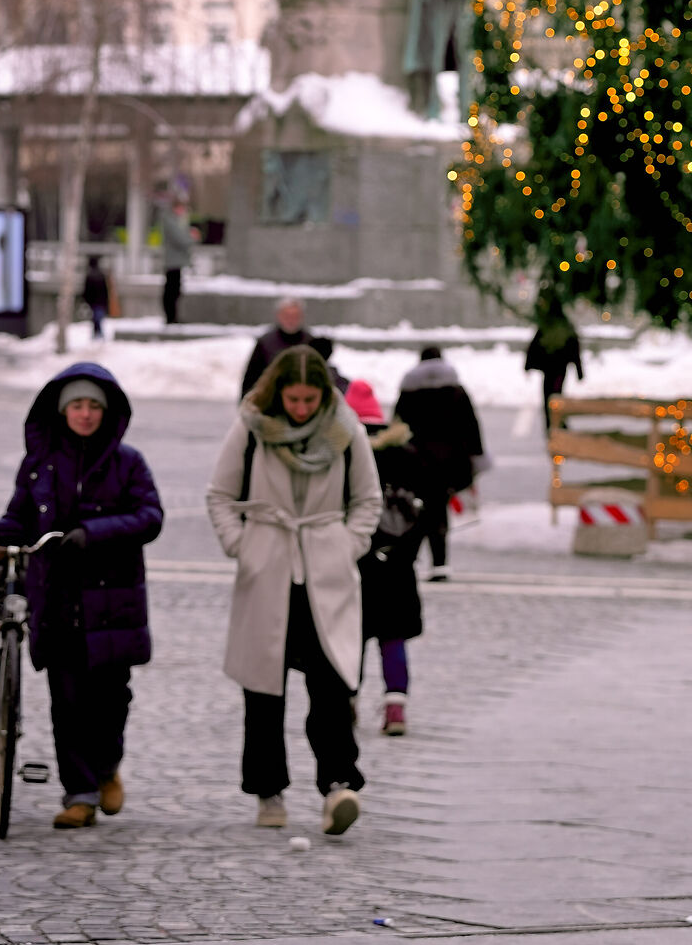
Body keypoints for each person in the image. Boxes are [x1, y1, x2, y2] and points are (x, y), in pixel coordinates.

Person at [0, 365, 163, 830]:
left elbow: (150, 516)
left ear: (107, 411)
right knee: (67, 698)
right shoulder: (40, 463)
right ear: (61, 411)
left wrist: (92, 534)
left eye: (93, 406)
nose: (85, 413)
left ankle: (105, 768)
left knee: (111, 697)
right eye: (77, 405)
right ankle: (79, 793)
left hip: (111, 602)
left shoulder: (128, 462)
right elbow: (19, 519)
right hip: (55, 596)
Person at [206, 345, 381, 836]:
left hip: (326, 571)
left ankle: (338, 785)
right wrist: (243, 546)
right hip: (268, 567)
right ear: (278, 391)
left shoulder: (347, 431)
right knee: (263, 688)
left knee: (333, 683)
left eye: (309, 399)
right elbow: (220, 494)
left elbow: (367, 498)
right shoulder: (251, 427)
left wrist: (348, 544)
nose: (301, 408)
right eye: (293, 398)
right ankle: (268, 790)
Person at [349, 380, 424, 738]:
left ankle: (346, 700)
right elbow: (427, 511)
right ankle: (396, 709)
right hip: (397, 565)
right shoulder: (407, 455)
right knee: (393, 639)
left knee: (350, 637)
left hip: (356, 564)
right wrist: (408, 551)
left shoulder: (346, 455)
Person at [395, 345, 485, 583]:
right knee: (438, 511)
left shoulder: (409, 391)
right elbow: (471, 424)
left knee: (418, 509)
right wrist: (476, 457)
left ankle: (412, 557)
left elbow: (398, 425)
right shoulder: (456, 390)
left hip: (417, 460)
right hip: (450, 462)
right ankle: (440, 563)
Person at [524, 297, 583, 431]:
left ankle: (552, 424)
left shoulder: (547, 325)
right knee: (557, 395)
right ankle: (557, 423)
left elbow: (534, 346)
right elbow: (574, 348)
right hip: (560, 369)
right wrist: (579, 371)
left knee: (548, 397)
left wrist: (528, 365)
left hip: (549, 368)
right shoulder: (565, 325)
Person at [240, 297, 310, 398]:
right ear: (279, 316)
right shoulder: (265, 342)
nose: (291, 320)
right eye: (287, 316)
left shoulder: (311, 342)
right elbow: (251, 377)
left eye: (295, 316)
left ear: (301, 317)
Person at [160, 199, 194, 325]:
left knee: (175, 289)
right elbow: (181, 239)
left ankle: (173, 316)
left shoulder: (174, 220)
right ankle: (171, 317)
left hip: (176, 262)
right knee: (172, 290)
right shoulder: (171, 221)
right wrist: (191, 237)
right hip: (172, 262)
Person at [82, 255, 110, 341]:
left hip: (93, 302)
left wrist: (85, 300)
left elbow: (86, 290)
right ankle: (98, 334)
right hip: (100, 302)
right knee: (98, 318)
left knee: (96, 318)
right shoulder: (101, 274)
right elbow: (105, 290)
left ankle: (98, 334)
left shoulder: (89, 275)